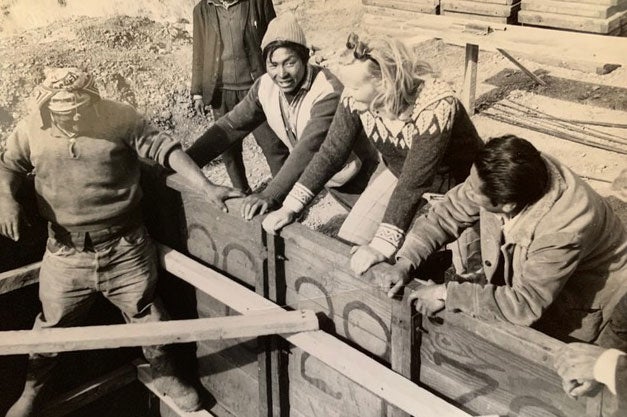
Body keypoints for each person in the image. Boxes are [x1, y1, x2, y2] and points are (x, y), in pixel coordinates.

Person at [0, 68, 243, 416]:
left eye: (79, 110)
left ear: (93, 101)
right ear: (47, 108)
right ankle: (32, 393)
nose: (72, 118)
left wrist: (206, 186)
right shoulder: (30, 129)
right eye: (62, 113)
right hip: (66, 254)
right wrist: (6, 200)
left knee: (148, 316)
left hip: (126, 247)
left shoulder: (119, 117)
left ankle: (166, 375)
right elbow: (7, 166)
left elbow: (165, 149)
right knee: (49, 329)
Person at [262, 33, 484, 275]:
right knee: (350, 241)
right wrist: (290, 206)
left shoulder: (436, 105)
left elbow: (414, 181)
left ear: (384, 82)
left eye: (356, 86)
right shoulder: (355, 96)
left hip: (462, 186)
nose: (348, 92)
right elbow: (331, 153)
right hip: (401, 171)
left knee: (467, 268)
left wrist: (382, 245)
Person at [374, 135, 626, 343]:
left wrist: (446, 294)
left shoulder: (562, 231)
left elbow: (525, 303)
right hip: (543, 286)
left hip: (592, 306)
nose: (467, 192)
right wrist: (405, 261)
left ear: (507, 205)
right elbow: (447, 213)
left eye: (474, 190)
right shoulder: (510, 170)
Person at [187, 14, 379, 220]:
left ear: (304, 58)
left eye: (290, 63)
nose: (282, 73)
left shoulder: (327, 92)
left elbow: (308, 149)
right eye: (273, 65)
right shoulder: (264, 86)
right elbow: (229, 127)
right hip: (326, 176)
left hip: (359, 174)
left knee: (377, 228)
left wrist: (271, 194)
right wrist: (185, 161)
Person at [191, 0, 288, 193]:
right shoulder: (202, 10)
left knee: (273, 145)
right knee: (229, 150)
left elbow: (275, 41)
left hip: (255, 88)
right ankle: (241, 192)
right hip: (221, 91)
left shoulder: (257, 3)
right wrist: (197, 92)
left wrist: (278, 78)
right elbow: (199, 51)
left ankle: (283, 195)